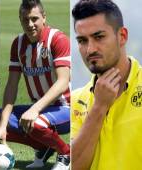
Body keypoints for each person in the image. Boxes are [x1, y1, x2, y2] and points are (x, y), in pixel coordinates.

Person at [0, 0, 70, 169]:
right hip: (38, 108)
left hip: (65, 108)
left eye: (34, 18)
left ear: (44, 18)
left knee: (36, 122)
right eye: (25, 19)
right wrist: (2, 125)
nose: (30, 24)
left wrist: (35, 109)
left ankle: (65, 153)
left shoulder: (58, 39)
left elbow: (63, 81)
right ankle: (44, 147)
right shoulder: (18, 44)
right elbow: (12, 85)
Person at [71, 0, 142, 169]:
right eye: (82, 40)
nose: (90, 49)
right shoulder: (75, 100)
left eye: (99, 37)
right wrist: (99, 107)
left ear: (122, 36)